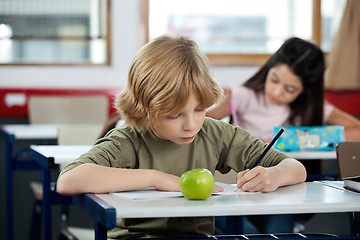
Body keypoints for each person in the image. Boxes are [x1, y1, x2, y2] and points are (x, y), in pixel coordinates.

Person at [57, 34, 306, 239]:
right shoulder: (129, 140)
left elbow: (295, 168)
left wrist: (272, 176)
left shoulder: (214, 133)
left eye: (199, 110)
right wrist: (156, 178)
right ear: (145, 108)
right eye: (174, 115)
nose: (190, 125)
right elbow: (68, 180)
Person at [207, 37, 360, 234]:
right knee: (227, 225)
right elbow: (203, 121)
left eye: (290, 89)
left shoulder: (309, 109)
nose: (277, 92)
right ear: (268, 69)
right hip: (239, 188)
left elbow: (356, 131)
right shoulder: (243, 95)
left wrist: (302, 137)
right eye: (274, 80)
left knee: (280, 227)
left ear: (305, 90)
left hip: (280, 189)